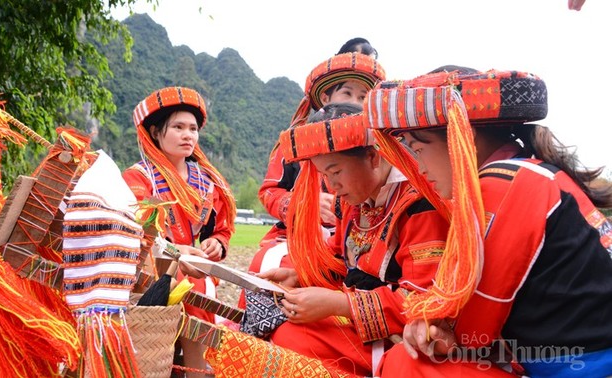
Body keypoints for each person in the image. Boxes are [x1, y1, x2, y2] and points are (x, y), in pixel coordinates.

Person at [363, 68, 612, 377]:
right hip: (568, 358)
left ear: (464, 137)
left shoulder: (501, 184)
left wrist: (438, 330)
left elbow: (474, 329)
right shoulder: (531, 172)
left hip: (582, 368)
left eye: (418, 149)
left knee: (406, 363)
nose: (419, 168)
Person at [253, 102, 449, 376]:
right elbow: (339, 261)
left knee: (288, 338)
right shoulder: (350, 201)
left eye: (336, 172)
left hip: (396, 338)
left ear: (373, 157)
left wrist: (339, 304)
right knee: (271, 317)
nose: (332, 186)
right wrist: (297, 276)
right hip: (358, 321)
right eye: (324, 176)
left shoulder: (417, 204)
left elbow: (421, 300)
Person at [241, 52, 386, 307]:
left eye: (363, 97)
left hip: (347, 252)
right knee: (273, 263)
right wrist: (305, 204)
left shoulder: (385, 156)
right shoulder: (296, 145)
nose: (355, 103)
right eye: (347, 94)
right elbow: (269, 191)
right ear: (326, 99)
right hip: (304, 236)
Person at [122, 86, 237, 377]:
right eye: (178, 127)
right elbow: (137, 232)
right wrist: (178, 252)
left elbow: (221, 229)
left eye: (193, 128)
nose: (188, 135)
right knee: (190, 283)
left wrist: (215, 243)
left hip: (194, 263)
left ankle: (193, 366)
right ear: (156, 132)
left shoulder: (208, 182)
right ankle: (194, 368)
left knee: (195, 282)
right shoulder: (139, 177)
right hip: (147, 264)